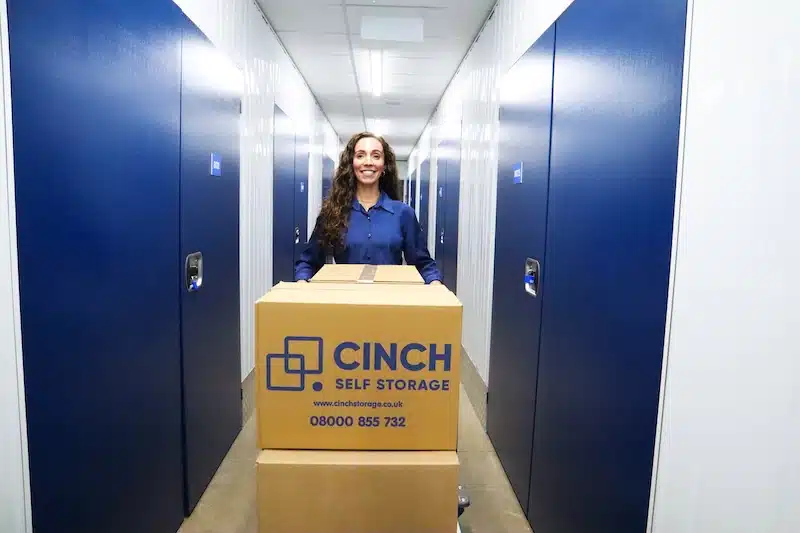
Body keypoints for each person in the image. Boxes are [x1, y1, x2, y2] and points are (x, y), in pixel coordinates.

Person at [295, 132, 442, 285]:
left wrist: (435, 283)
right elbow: (308, 262)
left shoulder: (403, 214)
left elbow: (423, 263)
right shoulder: (333, 213)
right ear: (351, 164)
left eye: (376, 156)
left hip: (391, 302)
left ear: (384, 166)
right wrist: (302, 282)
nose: (368, 162)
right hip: (346, 302)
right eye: (360, 155)